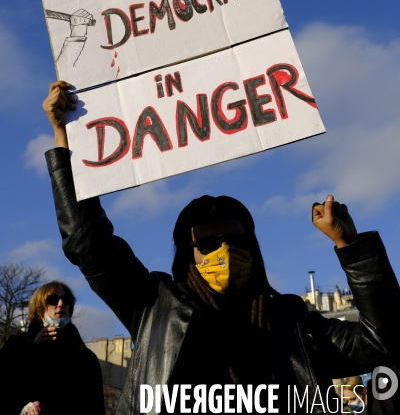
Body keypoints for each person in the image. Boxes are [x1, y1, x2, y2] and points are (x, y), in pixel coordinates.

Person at [43, 81, 400, 414]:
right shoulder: (154, 307)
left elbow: (382, 343)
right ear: (188, 254)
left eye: (237, 241)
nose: (225, 252)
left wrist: (349, 245)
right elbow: (87, 244)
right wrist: (64, 138)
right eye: (209, 243)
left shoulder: (291, 321)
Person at [0, 279, 105, 415]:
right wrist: (32, 349)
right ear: (39, 308)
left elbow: (94, 406)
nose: (60, 304)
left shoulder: (86, 357)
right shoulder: (17, 345)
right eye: (53, 299)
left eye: (66, 300)